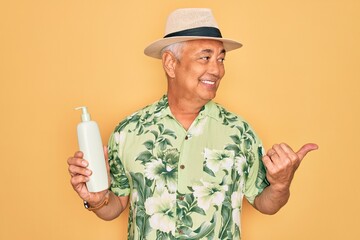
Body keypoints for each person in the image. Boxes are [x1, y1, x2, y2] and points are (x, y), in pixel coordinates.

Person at [67, 8, 318, 239]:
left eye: (220, 59)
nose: (217, 70)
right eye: (205, 57)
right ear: (170, 63)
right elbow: (116, 205)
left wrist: (281, 184)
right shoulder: (129, 131)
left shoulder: (240, 132)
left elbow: (265, 204)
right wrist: (98, 199)